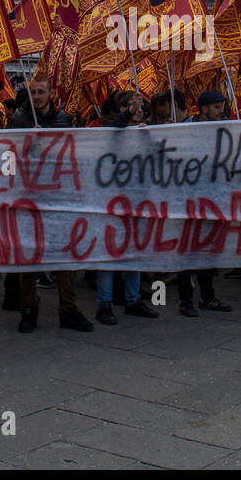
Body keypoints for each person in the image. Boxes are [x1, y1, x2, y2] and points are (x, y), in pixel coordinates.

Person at [6, 77, 94, 333]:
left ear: (51, 93)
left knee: (67, 254)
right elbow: (7, 160)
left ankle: (68, 308)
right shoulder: (18, 121)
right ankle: (29, 308)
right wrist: (27, 144)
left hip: (59, 196)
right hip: (30, 197)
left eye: (41, 91)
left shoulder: (65, 120)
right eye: (32, 92)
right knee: (29, 257)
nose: (37, 96)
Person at [95, 90, 161, 324]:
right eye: (134, 105)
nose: (139, 109)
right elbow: (113, 130)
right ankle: (104, 304)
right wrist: (127, 115)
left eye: (141, 105)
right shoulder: (114, 133)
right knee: (110, 254)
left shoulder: (146, 133)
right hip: (113, 202)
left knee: (135, 251)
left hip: (139, 201)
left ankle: (133, 300)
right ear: (123, 109)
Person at [176, 91, 233, 317]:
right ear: (204, 109)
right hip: (189, 198)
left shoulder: (226, 126)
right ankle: (185, 300)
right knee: (188, 250)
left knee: (209, 249)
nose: (221, 111)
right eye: (217, 107)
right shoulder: (184, 128)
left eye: (222, 107)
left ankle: (207, 297)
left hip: (214, 198)